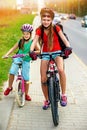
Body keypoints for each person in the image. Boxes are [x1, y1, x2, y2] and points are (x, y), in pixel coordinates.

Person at [30, 8, 72, 109]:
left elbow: (64, 39)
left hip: (57, 53)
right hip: (45, 54)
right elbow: (34, 41)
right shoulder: (39, 30)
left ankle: (64, 95)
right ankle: (47, 100)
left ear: (52, 20)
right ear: (41, 19)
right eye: (44, 19)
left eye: (48, 19)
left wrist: (68, 47)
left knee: (61, 70)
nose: (46, 21)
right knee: (43, 78)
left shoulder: (56, 28)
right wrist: (31, 51)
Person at [3, 23, 40, 101]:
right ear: (22, 34)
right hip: (18, 58)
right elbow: (13, 48)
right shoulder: (20, 41)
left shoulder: (33, 42)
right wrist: (6, 54)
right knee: (12, 72)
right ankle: (9, 87)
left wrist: (32, 52)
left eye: (27, 34)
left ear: (30, 34)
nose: (26, 35)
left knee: (26, 78)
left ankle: (26, 94)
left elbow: (39, 51)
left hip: (26, 60)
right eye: (24, 34)